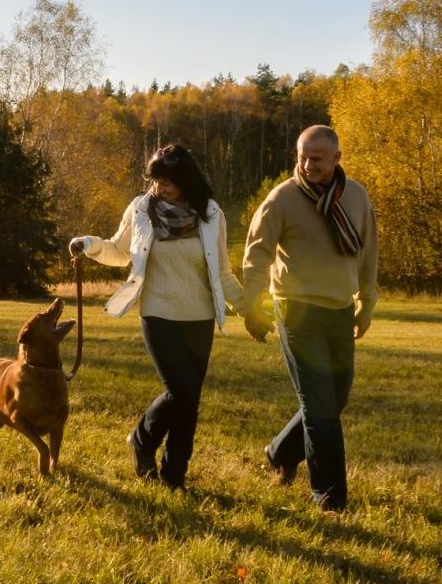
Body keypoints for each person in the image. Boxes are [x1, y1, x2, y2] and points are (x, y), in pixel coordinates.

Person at [69, 144, 243, 490]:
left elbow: (222, 272)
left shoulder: (210, 213)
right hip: (157, 312)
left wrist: (249, 308)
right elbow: (120, 250)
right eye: (155, 179)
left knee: (189, 400)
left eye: (167, 181)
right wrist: (88, 244)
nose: (159, 187)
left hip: (200, 317)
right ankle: (142, 440)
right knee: (181, 389)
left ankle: (175, 475)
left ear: (186, 180)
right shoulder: (141, 209)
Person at [240, 125, 378, 512]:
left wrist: (366, 303)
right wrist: (252, 307)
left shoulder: (356, 196)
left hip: (339, 309)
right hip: (296, 310)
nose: (307, 164)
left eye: (316, 158)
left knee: (335, 399)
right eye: (301, 156)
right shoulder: (282, 198)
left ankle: (280, 451)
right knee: (319, 408)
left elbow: (368, 254)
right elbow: (256, 255)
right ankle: (330, 498)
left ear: (337, 158)